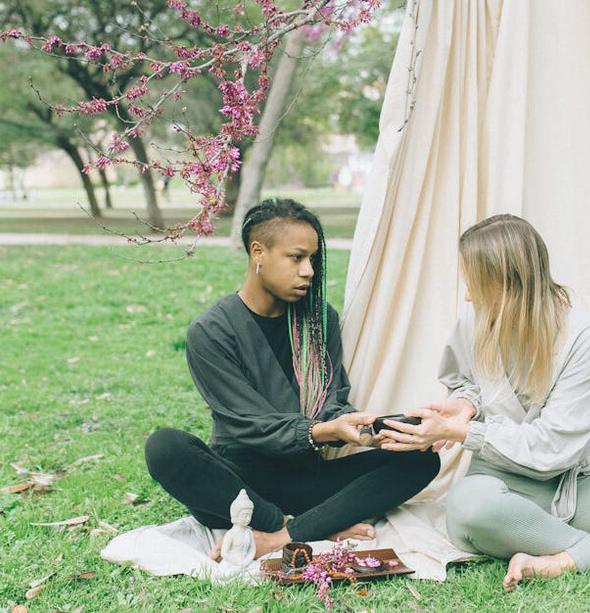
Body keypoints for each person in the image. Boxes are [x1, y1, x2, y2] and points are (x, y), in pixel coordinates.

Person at [378, 214, 590, 591]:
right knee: (468, 505)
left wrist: (462, 431)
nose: (467, 295)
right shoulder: (473, 323)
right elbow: (468, 381)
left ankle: (561, 560)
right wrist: (465, 406)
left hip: (573, 487)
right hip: (500, 488)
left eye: (474, 283)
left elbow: (553, 449)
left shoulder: (588, 339)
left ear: (507, 284)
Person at [144, 198, 439, 560]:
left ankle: (281, 535)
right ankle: (304, 524)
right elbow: (249, 423)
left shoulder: (320, 321)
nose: (309, 271)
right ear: (259, 253)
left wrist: (375, 432)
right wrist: (320, 432)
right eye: (297, 257)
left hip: (307, 478)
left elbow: (332, 400)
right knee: (164, 447)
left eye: (313, 259)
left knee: (422, 459)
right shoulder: (211, 331)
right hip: (239, 486)